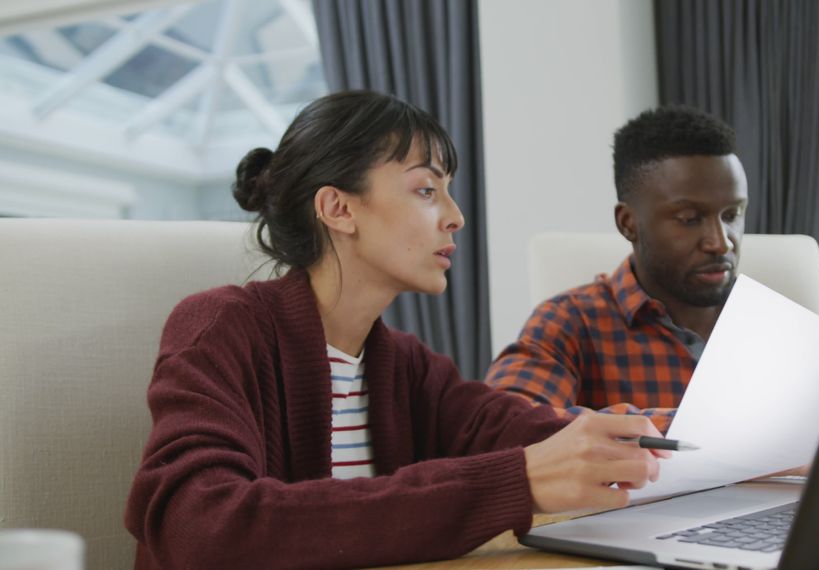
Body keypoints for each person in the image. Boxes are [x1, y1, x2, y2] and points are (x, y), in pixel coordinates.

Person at [124, 90, 668, 570]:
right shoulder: (220, 328)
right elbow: (200, 528)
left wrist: (671, 438)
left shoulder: (406, 365)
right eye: (426, 190)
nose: (455, 216)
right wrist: (513, 483)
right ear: (338, 208)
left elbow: (525, 432)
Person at [485, 106, 748, 434]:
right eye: (689, 219)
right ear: (628, 223)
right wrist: (717, 430)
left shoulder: (776, 324)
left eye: (732, 214)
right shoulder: (569, 322)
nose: (721, 243)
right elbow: (506, 428)